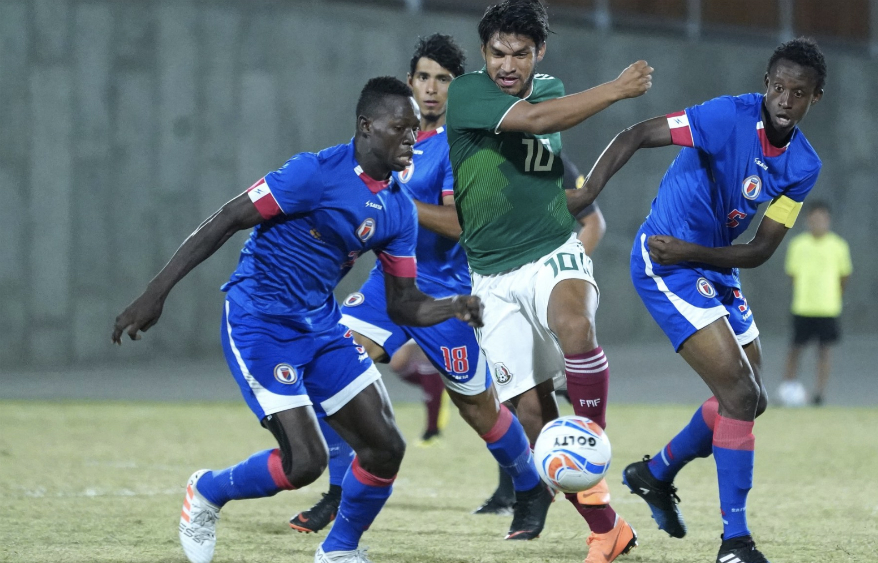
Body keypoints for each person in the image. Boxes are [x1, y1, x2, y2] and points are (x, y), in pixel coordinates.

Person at [111, 76, 483, 563]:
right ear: (366, 126)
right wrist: (155, 293)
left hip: (321, 326)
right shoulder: (314, 173)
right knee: (304, 463)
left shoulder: (398, 208)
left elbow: (402, 305)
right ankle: (206, 491)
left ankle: (339, 551)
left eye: (416, 129)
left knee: (385, 447)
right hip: (258, 321)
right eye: (401, 127)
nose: (413, 138)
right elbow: (228, 217)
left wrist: (453, 307)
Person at [570, 37, 827, 563]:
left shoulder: (803, 165)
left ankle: (655, 473)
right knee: (737, 392)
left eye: (797, 93)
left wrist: (695, 250)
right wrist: (589, 191)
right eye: (777, 87)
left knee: (750, 399)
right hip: (663, 262)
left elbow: (758, 251)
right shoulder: (725, 117)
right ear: (766, 85)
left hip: (709, 262)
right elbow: (638, 133)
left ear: (814, 99)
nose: (784, 98)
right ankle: (735, 542)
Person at [287, 34, 544, 541]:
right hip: (389, 283)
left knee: (480, 409)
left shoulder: (461, 146)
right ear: (409, 83)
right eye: (423, 77)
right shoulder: (393, 139)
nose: (431, 89)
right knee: (329, 365)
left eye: (443, 80)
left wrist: (397, 200)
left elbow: (458, 224)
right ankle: (340, 491)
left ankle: (530, 488)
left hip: (444, 292)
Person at [447, 0, 652, 560]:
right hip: (490, 277)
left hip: (551, 251)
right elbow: (535, 124)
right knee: (536, 422)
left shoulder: (550, 88)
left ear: (540, 53)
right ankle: (608, 528)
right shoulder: (468, 93)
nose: (507, 63)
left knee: (575, 326)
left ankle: (594, 435)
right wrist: (614, 89)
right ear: (483, 53)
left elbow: (544, 162)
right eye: (497, 52)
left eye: (520, 52)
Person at [474, 152, 607, 516]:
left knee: (536, 396)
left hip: (547, 293)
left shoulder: (552, 161)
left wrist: (567, 281)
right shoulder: (474, 160)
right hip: (499, 289)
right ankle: (521, 492)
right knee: (517, 398)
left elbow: (593, 222)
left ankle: (585, 454)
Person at [779, 201, 851, 406]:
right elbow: (792, 275)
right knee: (795, 349)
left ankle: (819, 393)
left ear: (828, 220)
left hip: (827, 308)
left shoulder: (838, 245)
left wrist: (833, 296)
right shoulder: (798, 245)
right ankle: (788, 389)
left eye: (822, 218)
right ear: (807, 220)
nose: (817, 222)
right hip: (803, 306)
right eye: (814, 218)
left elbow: (844, 276)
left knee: (824, 351)